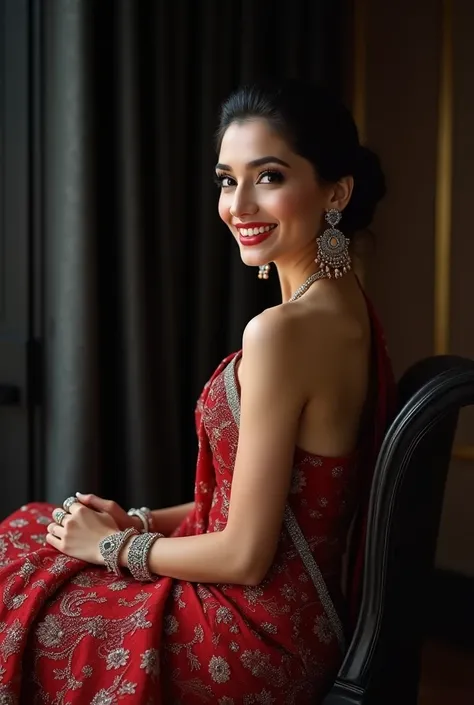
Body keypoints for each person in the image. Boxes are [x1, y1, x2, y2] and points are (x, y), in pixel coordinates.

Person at [0, 78, 395, 704]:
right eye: (226, 179)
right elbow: (269, 506)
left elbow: (244, 555)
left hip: (254, 631)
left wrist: (111, 546)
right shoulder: (345, 312)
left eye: (268, 176)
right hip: (295, 612)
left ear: (335, 192)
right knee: (30, 532)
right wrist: (136, 520)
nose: (239, 205)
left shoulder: (284, 333)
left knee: (21, 579)